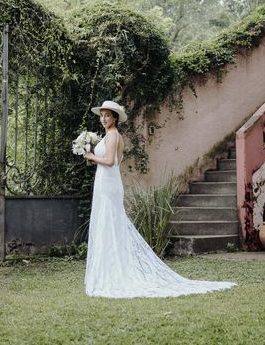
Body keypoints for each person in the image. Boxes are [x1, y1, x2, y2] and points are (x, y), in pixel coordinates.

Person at [83, 100, 235, 298]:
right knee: (107, 224)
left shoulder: (113, 136)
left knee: (112, 222)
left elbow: (110, 162)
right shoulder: (106, 136)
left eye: (107, 115)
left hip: (109, 183)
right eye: (102, 115)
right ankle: (109, 267)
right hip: (104, 182)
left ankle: (117, 271)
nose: (103, 119)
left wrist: (91, 157)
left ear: (115, 118)